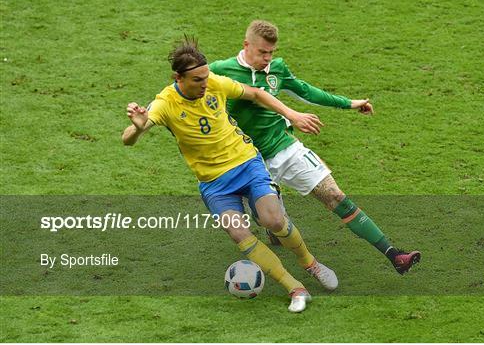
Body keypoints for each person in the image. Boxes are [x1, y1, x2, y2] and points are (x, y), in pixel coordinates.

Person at [122, 36, 338, 313]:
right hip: (214, 183)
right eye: (198, 80)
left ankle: (311, 263)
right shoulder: (165, 103)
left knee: (273, 220)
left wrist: (292, 114)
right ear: (178, 77)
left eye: (206, 76)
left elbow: (257, 93)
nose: (205, 83)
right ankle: (295, 287)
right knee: (238, 233)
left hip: (245, 162)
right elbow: (127, 139)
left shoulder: (215, 82)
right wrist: (139, 127)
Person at [210, 21, 421, 275]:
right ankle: (273, 226)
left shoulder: (276, 69)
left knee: (335, 195)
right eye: (262, 52)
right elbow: (185, 86)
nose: (267, 59)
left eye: (271, 53)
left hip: (284, 147)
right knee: (275, 223)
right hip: (247, 160)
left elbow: (307, 92)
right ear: (246, 46)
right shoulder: (220, 71)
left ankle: (394, 254)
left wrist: (350, 104)